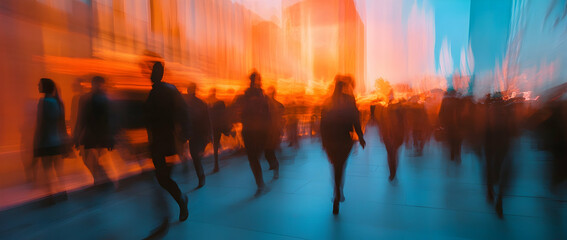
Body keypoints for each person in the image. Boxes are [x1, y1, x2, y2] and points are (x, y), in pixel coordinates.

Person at [145, 62, 189, 222]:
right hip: (162, 142)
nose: (151, 74)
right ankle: (180, 200)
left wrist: (184, 136)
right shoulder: (161, 91)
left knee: (162, 177)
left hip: (166, 142)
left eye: (154, 71)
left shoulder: (162, 92)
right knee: (162, 177)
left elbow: (183, 113)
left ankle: (180, 200)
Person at [320, 75, 366, 215]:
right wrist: (361, 137)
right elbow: (355, 119)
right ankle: (338, 190)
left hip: (331, 139)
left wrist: (323, 141)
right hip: (344, 139)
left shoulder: (328, 102)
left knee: (336, 166)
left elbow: (323, 123)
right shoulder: (350, 101)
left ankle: (337, 190)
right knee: (341, 165)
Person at [232, 70, 278, 196]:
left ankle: (260, 184)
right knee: (258, 155)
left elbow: (236, 111)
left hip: (248, 130)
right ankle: (264, 179)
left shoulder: (244, 96)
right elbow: (268, 116)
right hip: (261, 132)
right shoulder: (263, 98)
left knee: (253, 158)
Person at [73, 76, 116, 188]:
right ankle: (102, 180)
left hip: (94, 134)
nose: (99, 86)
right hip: (93, 134)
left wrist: (77, 135)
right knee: (90, 159)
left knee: (90, 158)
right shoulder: (102, 99)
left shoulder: (89, 98)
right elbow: (81, 118)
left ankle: (100, 180)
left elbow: (81, 119)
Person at [33, 78, 69, 203]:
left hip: (46, 142)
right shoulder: (58, 102)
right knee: (58, 170)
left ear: (45, 87)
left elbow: (40, 124)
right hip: (58, 142)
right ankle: (63, 192)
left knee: (47, 170)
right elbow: (61, 125)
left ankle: (50, 196)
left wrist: (36, 142)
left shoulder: (43, 102)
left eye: (40, 84)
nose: (38, 85)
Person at [183, 82, 209, 188]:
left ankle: (201, 177)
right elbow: (207, 119)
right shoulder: (199, 103)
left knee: (195, 155)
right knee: (196, 155)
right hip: (198, 134)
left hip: (195, 134)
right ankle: (201, 176)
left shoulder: (188, 104)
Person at [207, 88, 231, 172]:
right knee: (216, 146)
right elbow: (223, 119)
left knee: (215, 146)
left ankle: (216, 165)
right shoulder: (220, 107)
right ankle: (216, 164)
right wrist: (226, 130)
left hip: (213, 129)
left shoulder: (211, 107)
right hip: (216, 129)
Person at [265, 86, 283, 178]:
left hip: (272, 132)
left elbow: (279, 120)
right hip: (269, 132)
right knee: (268, 152)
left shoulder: (277, 105)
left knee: (269, 152)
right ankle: (274, 166)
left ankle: (275, 168)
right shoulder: (277, 105)